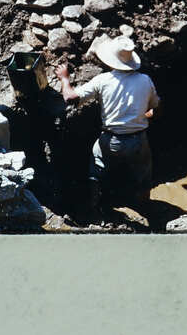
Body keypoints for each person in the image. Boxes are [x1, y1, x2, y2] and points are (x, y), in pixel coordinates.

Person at [56, 36, 160, 217]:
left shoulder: (103, 80)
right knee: (143, 175)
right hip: (138, 139)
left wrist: (65, 78)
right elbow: (154, 106)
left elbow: (71, 98)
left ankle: (94, 207)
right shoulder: (145, 80)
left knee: (96, 170)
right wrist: (145, 115)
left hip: (111, 140)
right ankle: (145, 208)